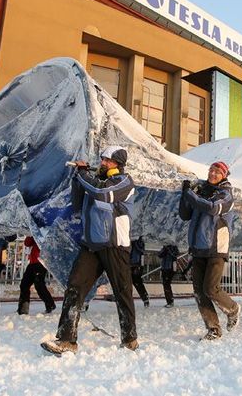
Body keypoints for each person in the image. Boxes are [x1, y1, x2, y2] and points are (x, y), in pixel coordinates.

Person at [41, 146, 138, 355]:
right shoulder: (94, 181)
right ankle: (66, 339)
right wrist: (78, 179)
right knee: (74, 287)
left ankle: (130, 339)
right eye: (102, 159)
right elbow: (77, 205)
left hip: (115, 246)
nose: (103, 163)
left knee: (122, 292)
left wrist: (84, 174)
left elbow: (102, 193)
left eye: (108, 161)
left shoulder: (124, 181)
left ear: (118, 165)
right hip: (91, 245)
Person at [179, 161, 241, 340]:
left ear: (224, 175)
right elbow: (184, 215)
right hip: (198, 247)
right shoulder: (202, 191)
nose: (213, 174)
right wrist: (185, 195)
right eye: (211, 170)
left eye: (217, 172)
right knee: (199, 291)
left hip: (216, 247)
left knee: (211, 288)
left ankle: (233, 309)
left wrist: (191, 194)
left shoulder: (226, 194)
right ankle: (213, 328)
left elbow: (213, 208)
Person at [17, 236, 56, 315]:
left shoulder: (45, 233)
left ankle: (50, 304)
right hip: (32, 263)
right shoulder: (34, 234)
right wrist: (30, 235)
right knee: (24, 284)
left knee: (39, 285)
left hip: (41, 262)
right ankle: (23, 308)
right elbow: (27, 243)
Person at [130, 236, 149, 308]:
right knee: (131, 283)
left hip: (136, 265)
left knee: (138, 283)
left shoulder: (139, 243)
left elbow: (141, 251)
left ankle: (145, 298)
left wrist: (134, 243)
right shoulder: (130, 242)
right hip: (131, 264)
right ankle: (144, 298)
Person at [158, 243, 179, 308]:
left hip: (170, 268)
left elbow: (175, 255)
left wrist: (169, 249)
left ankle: (170, 301)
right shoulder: (164, 248)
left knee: (167, 284)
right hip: (164, 268)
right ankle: (169, 301)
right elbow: (160, 255)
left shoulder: (174, 247)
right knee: (165, 284)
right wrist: (165, 249)